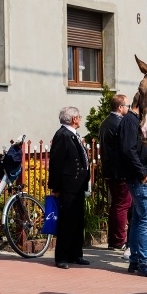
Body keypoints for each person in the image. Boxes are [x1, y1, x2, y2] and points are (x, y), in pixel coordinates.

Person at [117, 96, 147, 279]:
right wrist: (142, 173)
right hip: (140, 178)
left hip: (143, 176)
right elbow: (128, 150)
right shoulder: (129, 120)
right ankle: (144, 262)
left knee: (138, 220)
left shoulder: (136, 120)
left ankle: (136, 259)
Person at [48, 107, 91, 270]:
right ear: (73, 119)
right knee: (66, 222)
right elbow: (56, 163)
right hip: (68, 185)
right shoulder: (62, 135)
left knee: (77, 220)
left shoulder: (73, 134)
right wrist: (56, 186)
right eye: (79, 116)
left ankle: (76, 253)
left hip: (77, 185)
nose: (80, 118)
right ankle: (62, 256)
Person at [98, 94, 132, 251]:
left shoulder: (105, 122)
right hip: (120, 171)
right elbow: (126, 147)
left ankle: (113, 239)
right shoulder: (120, 123)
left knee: (116, 204)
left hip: (109, 169)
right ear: (120, 107)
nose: (129, 109)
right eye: (127, 106)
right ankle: (119, 240)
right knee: (123, 204)